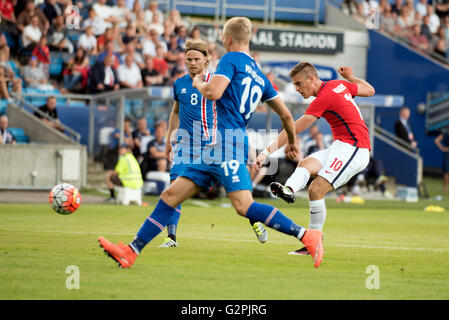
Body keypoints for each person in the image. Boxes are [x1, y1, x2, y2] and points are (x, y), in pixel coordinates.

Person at [98, 17, 323, 269]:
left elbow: (213, 92)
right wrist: (291, 142)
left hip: (227, 144)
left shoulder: (230, 60)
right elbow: (287, 116)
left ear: (227, 39)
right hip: (216, 147)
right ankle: (131, 251)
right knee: (171, 195)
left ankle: (306, 235)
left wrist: (199, 83)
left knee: (243, 206)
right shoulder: (260, 75)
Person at [254, 62, 375, 255]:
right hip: (341, 146)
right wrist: (350, 78)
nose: (297, 88)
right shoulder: (338, 85)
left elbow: (297, 126)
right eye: (294, 85)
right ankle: (289, 189)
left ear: (312, 79)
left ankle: (314, 243)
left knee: (316, 189)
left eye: (299, 84)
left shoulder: (324, 96)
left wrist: (266, 152)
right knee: (305, 164)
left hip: (355, 148)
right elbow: (369, 90)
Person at [434, 127, 449, 193]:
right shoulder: (445, 134)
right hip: (447, 155)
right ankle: (445, 188)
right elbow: (436, 140)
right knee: (446, 172)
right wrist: (442, 148)